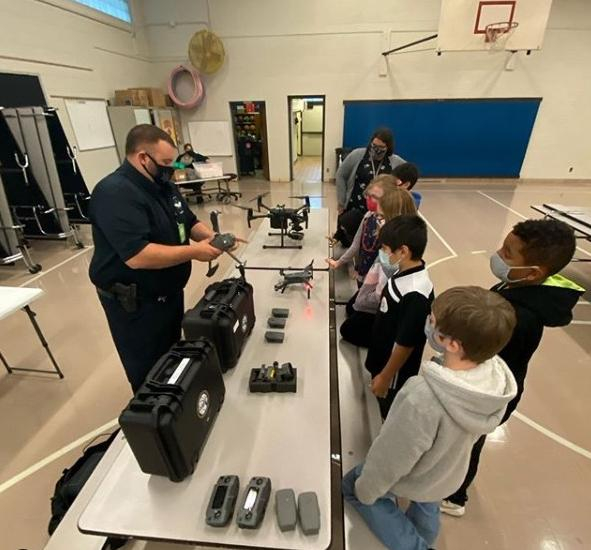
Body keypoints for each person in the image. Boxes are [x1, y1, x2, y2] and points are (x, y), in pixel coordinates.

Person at [343, 286, 518, 550]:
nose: (428, 323)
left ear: (453, 344)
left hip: (418, 475)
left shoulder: (422, 397)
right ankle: (424, 535)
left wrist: (367, 489)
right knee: (428, 502)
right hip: (446, 475)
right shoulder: (493, 383)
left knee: (353, 488)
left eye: (432, 321)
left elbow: (392, 456)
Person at [441, 218, 583, 517]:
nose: (498, 254)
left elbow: (484, 357)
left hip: (486, 395)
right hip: (484, 384)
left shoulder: (521, 317)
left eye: (507, 253)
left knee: (469, 442)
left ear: (533, 272)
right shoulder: (513, 287)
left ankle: (455, 495)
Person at [89, 125, 228, 392]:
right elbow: (138, 256)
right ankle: (154, 413)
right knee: (147, 369)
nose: (171, 168)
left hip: (168, 294)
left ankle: (174, 399)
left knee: (170, 355)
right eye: (165, 162)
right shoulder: (115, 193)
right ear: (143, 158)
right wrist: (195, 252)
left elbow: (187, 220)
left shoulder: (163, 185)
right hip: (135, 306)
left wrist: (210, 237)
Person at [365, 215, 434, 419]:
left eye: (386, 249)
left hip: (393, 373)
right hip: (381, 357)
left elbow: (406, 344)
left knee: (387, 413)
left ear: (403, 251)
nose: (383, 253)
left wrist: (386, 377)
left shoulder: (416, 294)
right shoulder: (403, 271)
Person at [335, 185, 418, 348]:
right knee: (351, 308)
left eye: (380, 217)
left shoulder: (397, 255)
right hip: (374, 292)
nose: (376, 221)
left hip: (383, 307)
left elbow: (383, 294)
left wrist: (364, 300)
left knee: (348, 330)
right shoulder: (391, 242)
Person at [326, 176, 416, 286]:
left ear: (388, 198)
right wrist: (339, 262)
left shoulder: (393, 229)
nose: (369, 199)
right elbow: (356, 244)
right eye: (368, 195)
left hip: (380, 283)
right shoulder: (369, 216)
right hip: (364, 275)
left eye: (374, 196)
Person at [333, 128, 405, 247]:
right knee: (348, 241)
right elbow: (340, 175)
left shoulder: (394, 161)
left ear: (388, 148)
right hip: (354, 207)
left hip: (378, 211)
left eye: (381, 148)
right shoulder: (357, 155)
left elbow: (409, 172)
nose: (376, 150)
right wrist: (341, 201)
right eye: (374, 145)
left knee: (370, 244)